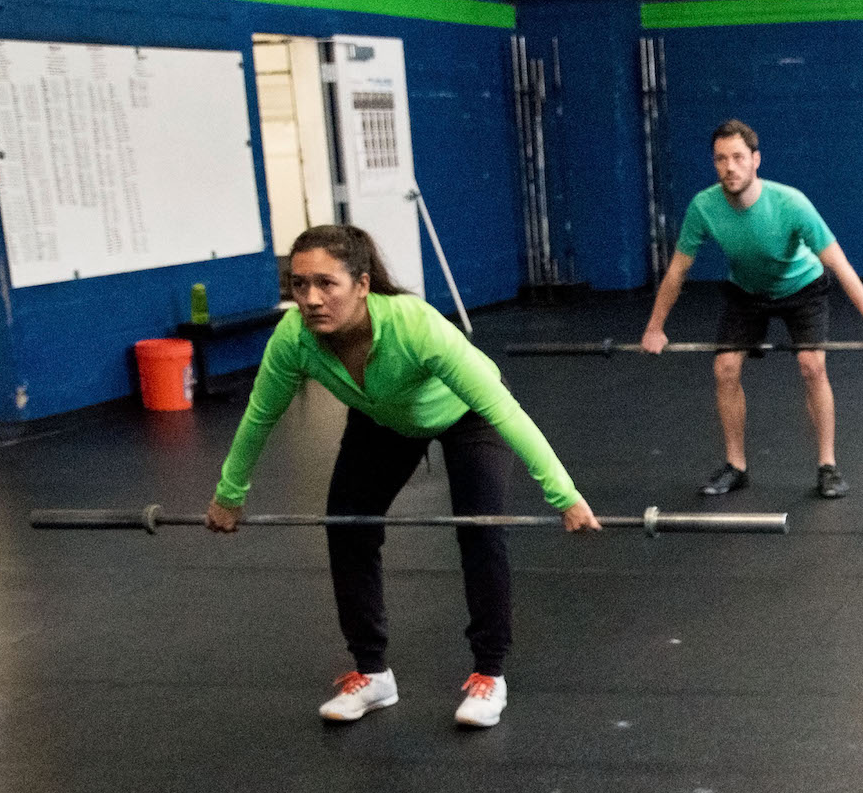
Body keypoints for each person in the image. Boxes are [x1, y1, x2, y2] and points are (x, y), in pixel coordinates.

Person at [206, 224, 599, 729]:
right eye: (299, 285)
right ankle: (372, 674)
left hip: (465, 417)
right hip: (384, 420)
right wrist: (229, 494)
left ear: (363, 285)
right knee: (348, 527)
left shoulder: (413, 326)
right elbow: (260, 417)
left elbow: (503, 409)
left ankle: (489, 674)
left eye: (327, 284)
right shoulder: (295, 340)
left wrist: (564, 495)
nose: (311, 298)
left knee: (480, 530)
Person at [641, 119, 863, 499]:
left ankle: (827, 466)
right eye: (721, 159)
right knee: (724, 367)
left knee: (812, 365)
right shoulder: (704, 207)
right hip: (747, 292)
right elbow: (677, 272)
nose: (730, 167)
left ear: (756, 160)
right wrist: (654, 327)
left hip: (803, 287)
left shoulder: (790, 203)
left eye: (739, 158)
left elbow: (839, 265)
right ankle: (736, 466)